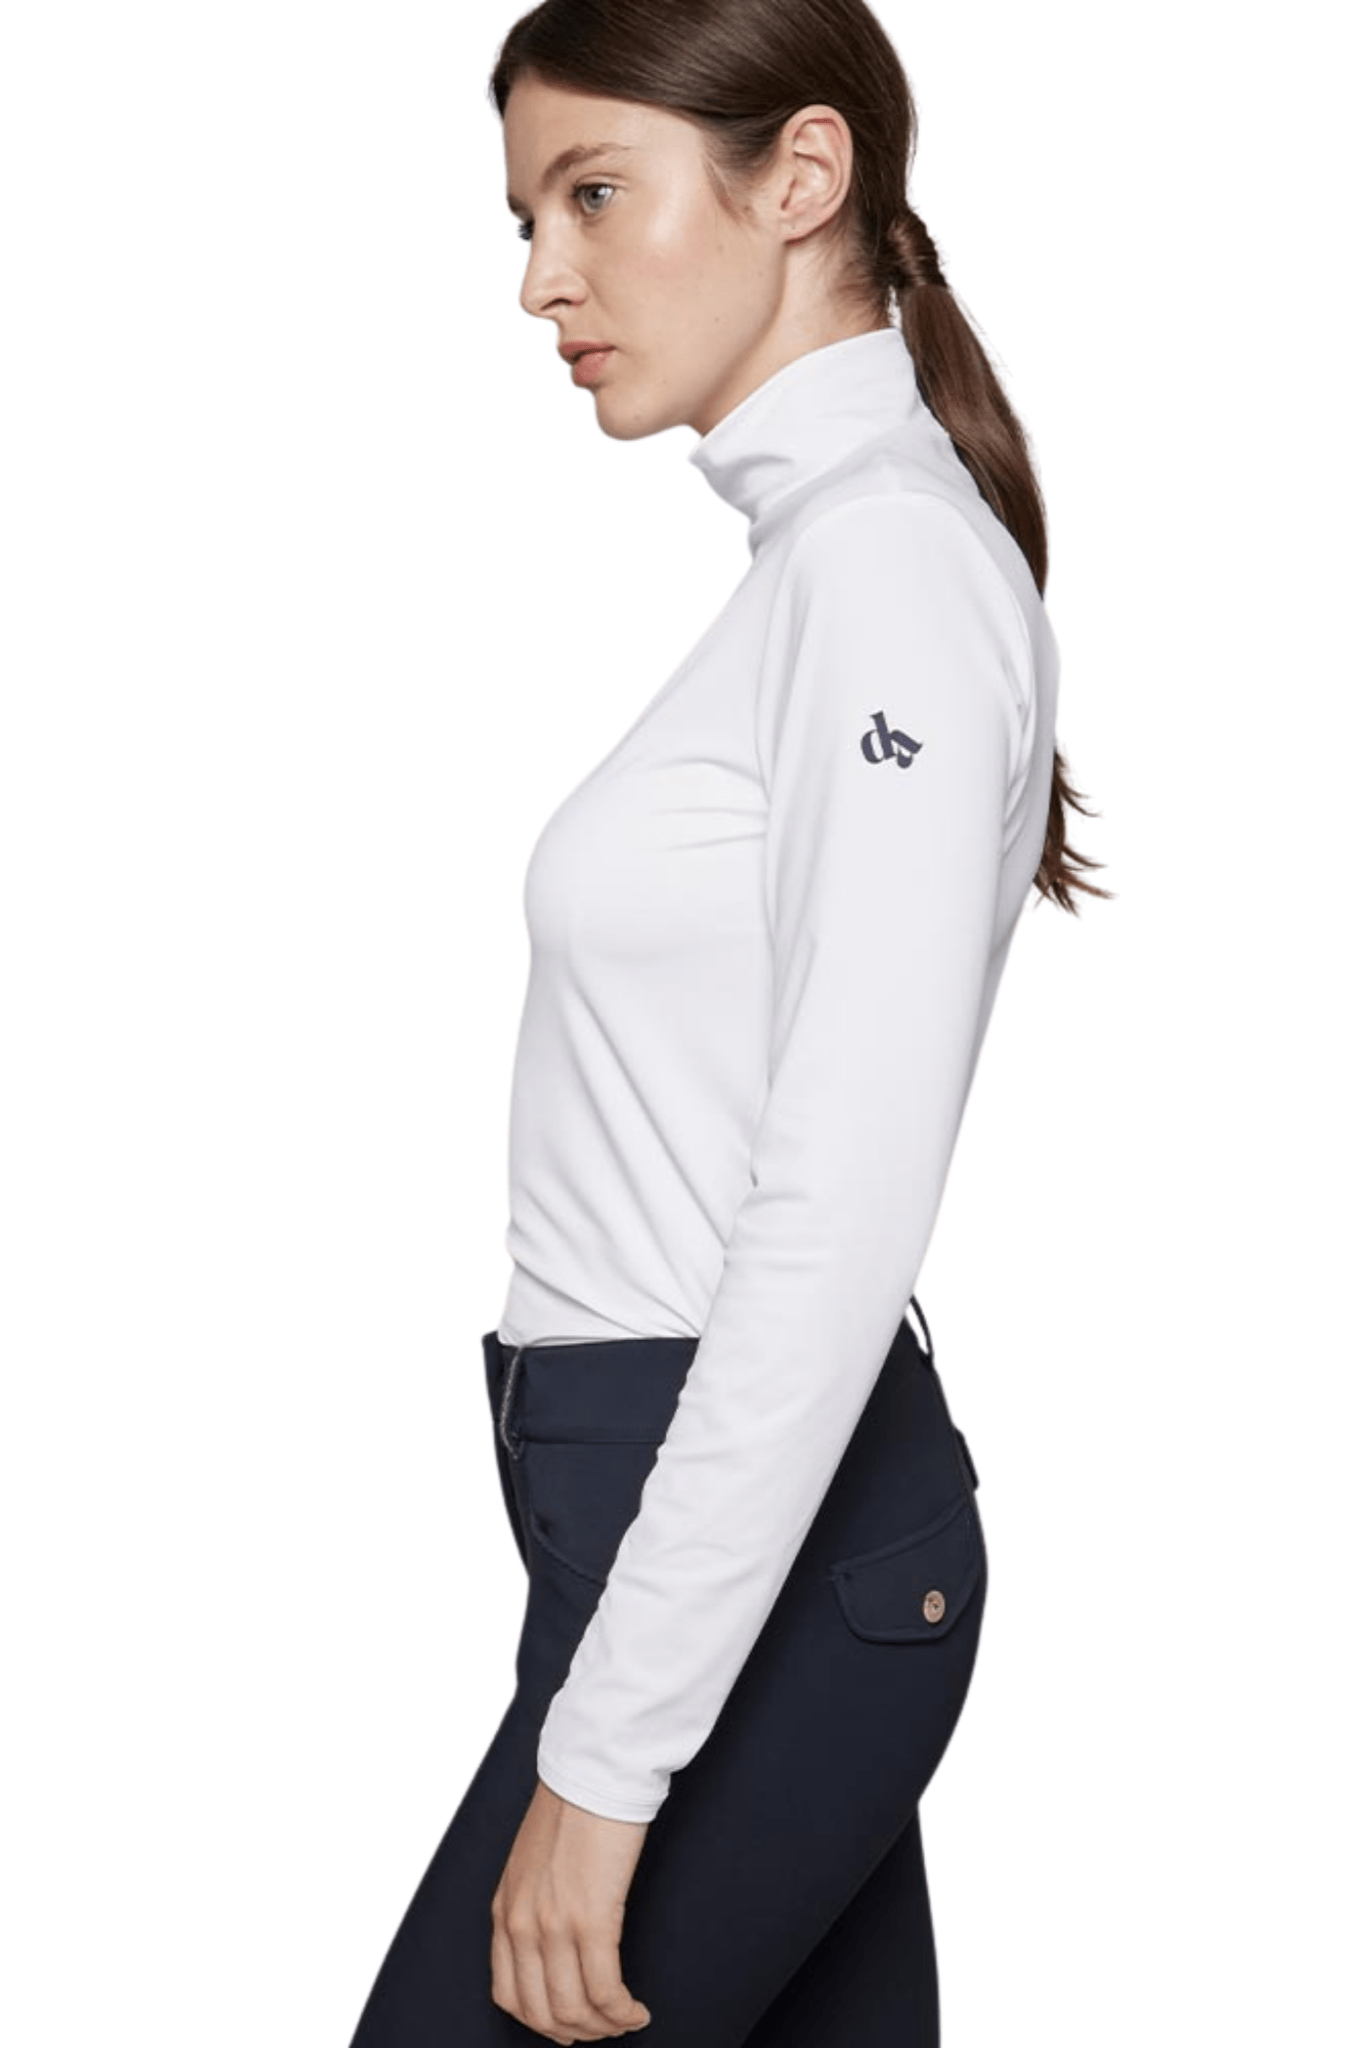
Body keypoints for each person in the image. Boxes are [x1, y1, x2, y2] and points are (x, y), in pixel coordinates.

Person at [347, 2, 1108, 2042]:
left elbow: (836, 1212)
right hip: (709, 1526)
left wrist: (603, 1766)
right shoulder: (824, 565)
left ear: (801, 178)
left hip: (746, 1531)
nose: (541, 279)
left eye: (592, 194)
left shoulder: (884, 576)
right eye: (527, 217)